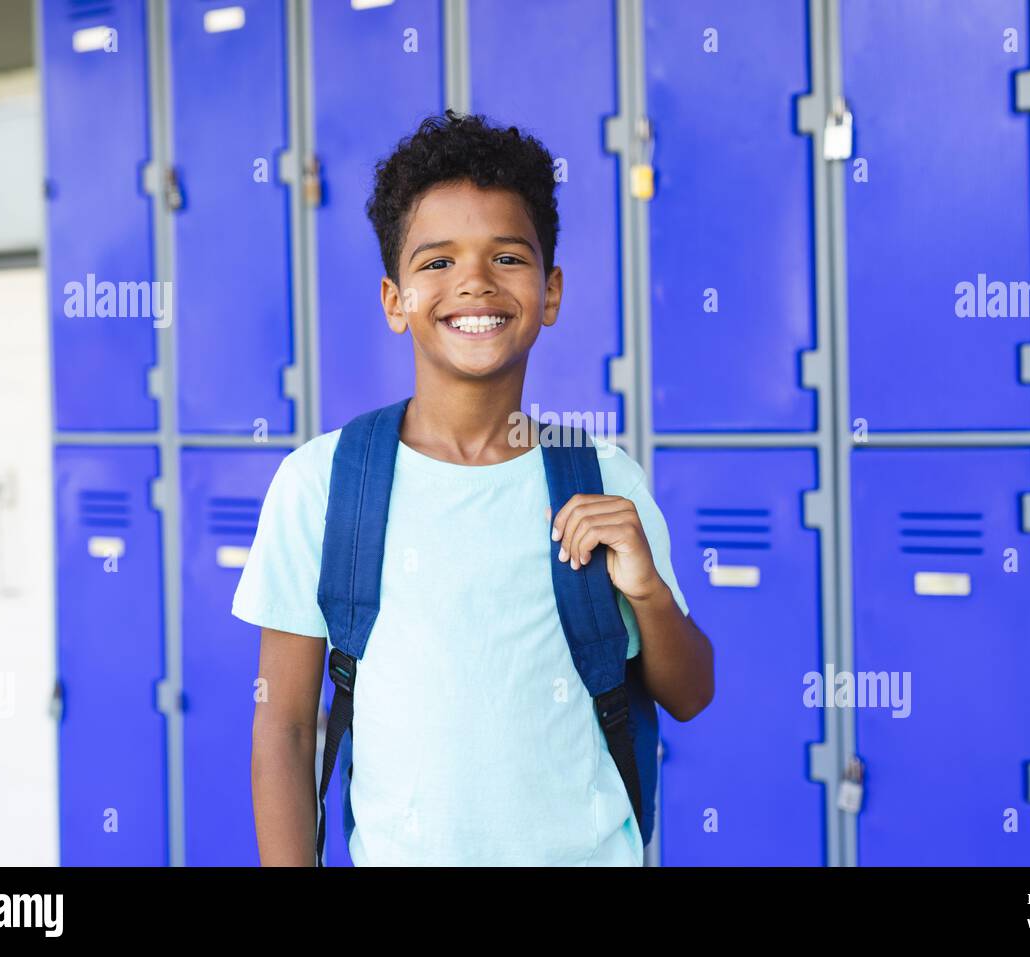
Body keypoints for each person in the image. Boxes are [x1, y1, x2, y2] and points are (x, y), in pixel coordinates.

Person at [233, 110, 714, 866]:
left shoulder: (601, 477)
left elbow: (690, 692)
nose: (475, 283)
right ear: (395, 300)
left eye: (508, 258)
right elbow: (286, 728)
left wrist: (648, 589)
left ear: (551, 292)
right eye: (437, 263)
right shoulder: (323, 485)